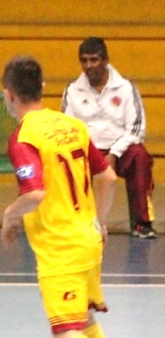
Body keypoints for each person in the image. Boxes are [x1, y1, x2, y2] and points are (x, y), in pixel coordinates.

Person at [0, 55, 125, 338]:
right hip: (88, 238)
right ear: (41, 88)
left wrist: (10, 217)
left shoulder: (24, 136)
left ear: (9, 95)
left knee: (65, 332)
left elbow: (35, 193)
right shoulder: (73, 125)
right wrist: (100, 221)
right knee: (84, 321)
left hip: (61, 248)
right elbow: (109, 178)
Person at [62, 37, 156, 239]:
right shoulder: (72, 90)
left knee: (140, 156)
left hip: (119, 149)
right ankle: (72, 219)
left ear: (105, 60)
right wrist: (90, 151)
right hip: (87, 149)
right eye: (84, 60)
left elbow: (137, 128)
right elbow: (68, 128)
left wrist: (114, 152)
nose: (88, 66)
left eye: (93, 60)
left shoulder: (126, 88)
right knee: (63, 158)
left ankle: (142, 223)